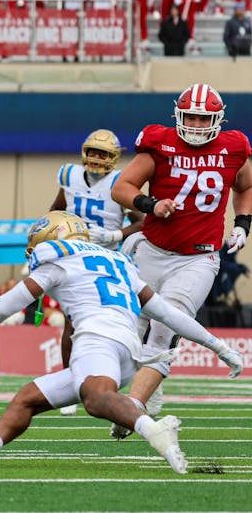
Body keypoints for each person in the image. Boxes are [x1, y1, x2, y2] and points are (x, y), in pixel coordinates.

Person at [0, 211, 243, 474]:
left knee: (96, 400)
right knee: (28, 398)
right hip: (126, 350)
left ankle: (154, 430)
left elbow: (5, 305)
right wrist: (219, 346)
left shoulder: (58, 263)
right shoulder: (119, 263)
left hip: (97, 341)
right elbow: (168, 313)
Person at [110, 83, 252, 438]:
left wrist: (244, 225)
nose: (196, 125)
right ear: (179, 114)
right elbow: (122, 186)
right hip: (151, 250)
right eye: (190, 117)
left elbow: (245, 186)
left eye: (204, 119)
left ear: (217, 120)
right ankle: (150, 382)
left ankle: (131, 410)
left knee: (164, 327)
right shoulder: (160, 143)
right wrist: (150, 205)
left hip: (197, 259)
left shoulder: (234, 147)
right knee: (131, 325)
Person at [49, 129, 143, 415]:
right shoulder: (70, 176)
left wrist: (116, 235)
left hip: (106, 260)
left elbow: (142, 221)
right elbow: (54, 211)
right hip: (74, 257)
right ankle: (70, 386)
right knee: (71, 324)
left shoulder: (119, 181)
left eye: (102, 153)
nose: (96, 158)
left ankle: (131, 384)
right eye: (92, 152)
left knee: (120, 324)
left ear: (113, 157)